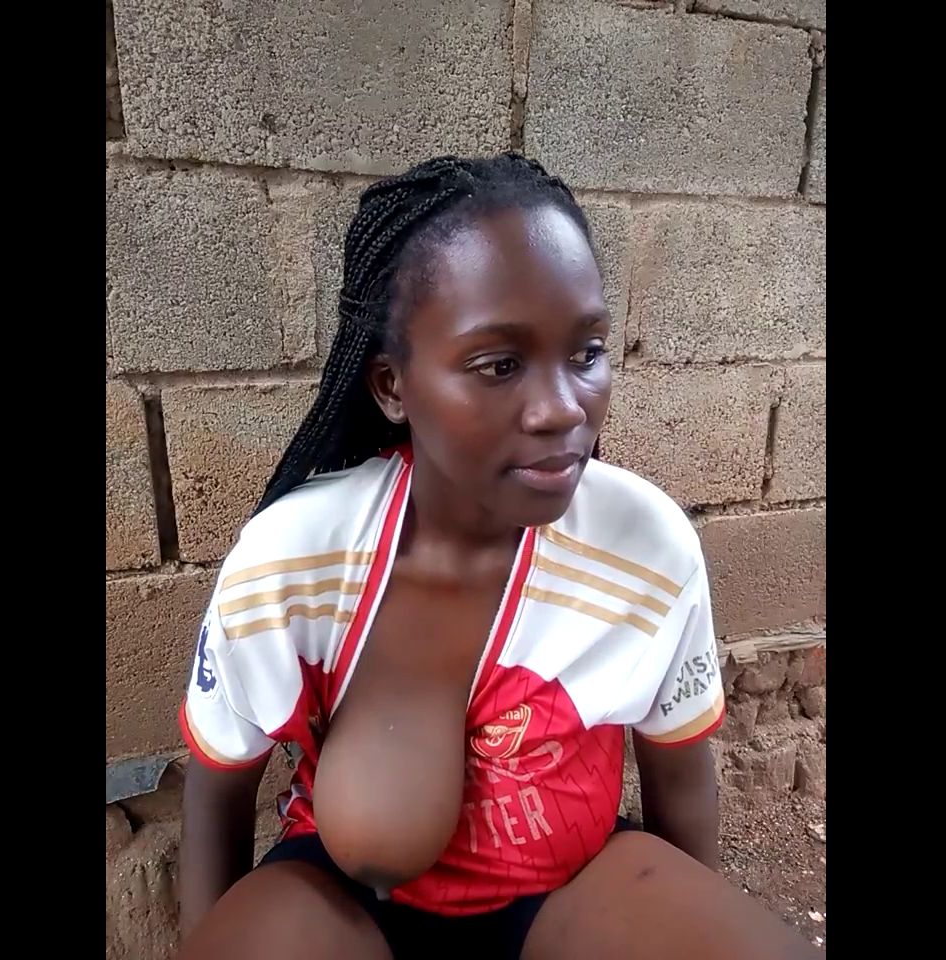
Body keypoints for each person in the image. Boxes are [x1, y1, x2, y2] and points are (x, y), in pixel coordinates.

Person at [177, 154, 818, 959]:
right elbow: (219, 789)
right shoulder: (293, 557)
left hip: (571, 894)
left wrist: (686, 915)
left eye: (586, 353)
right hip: (337, 904)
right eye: (499, 365)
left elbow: (681, 786)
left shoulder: (645, 547)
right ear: (392, 386)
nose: (561, 409)